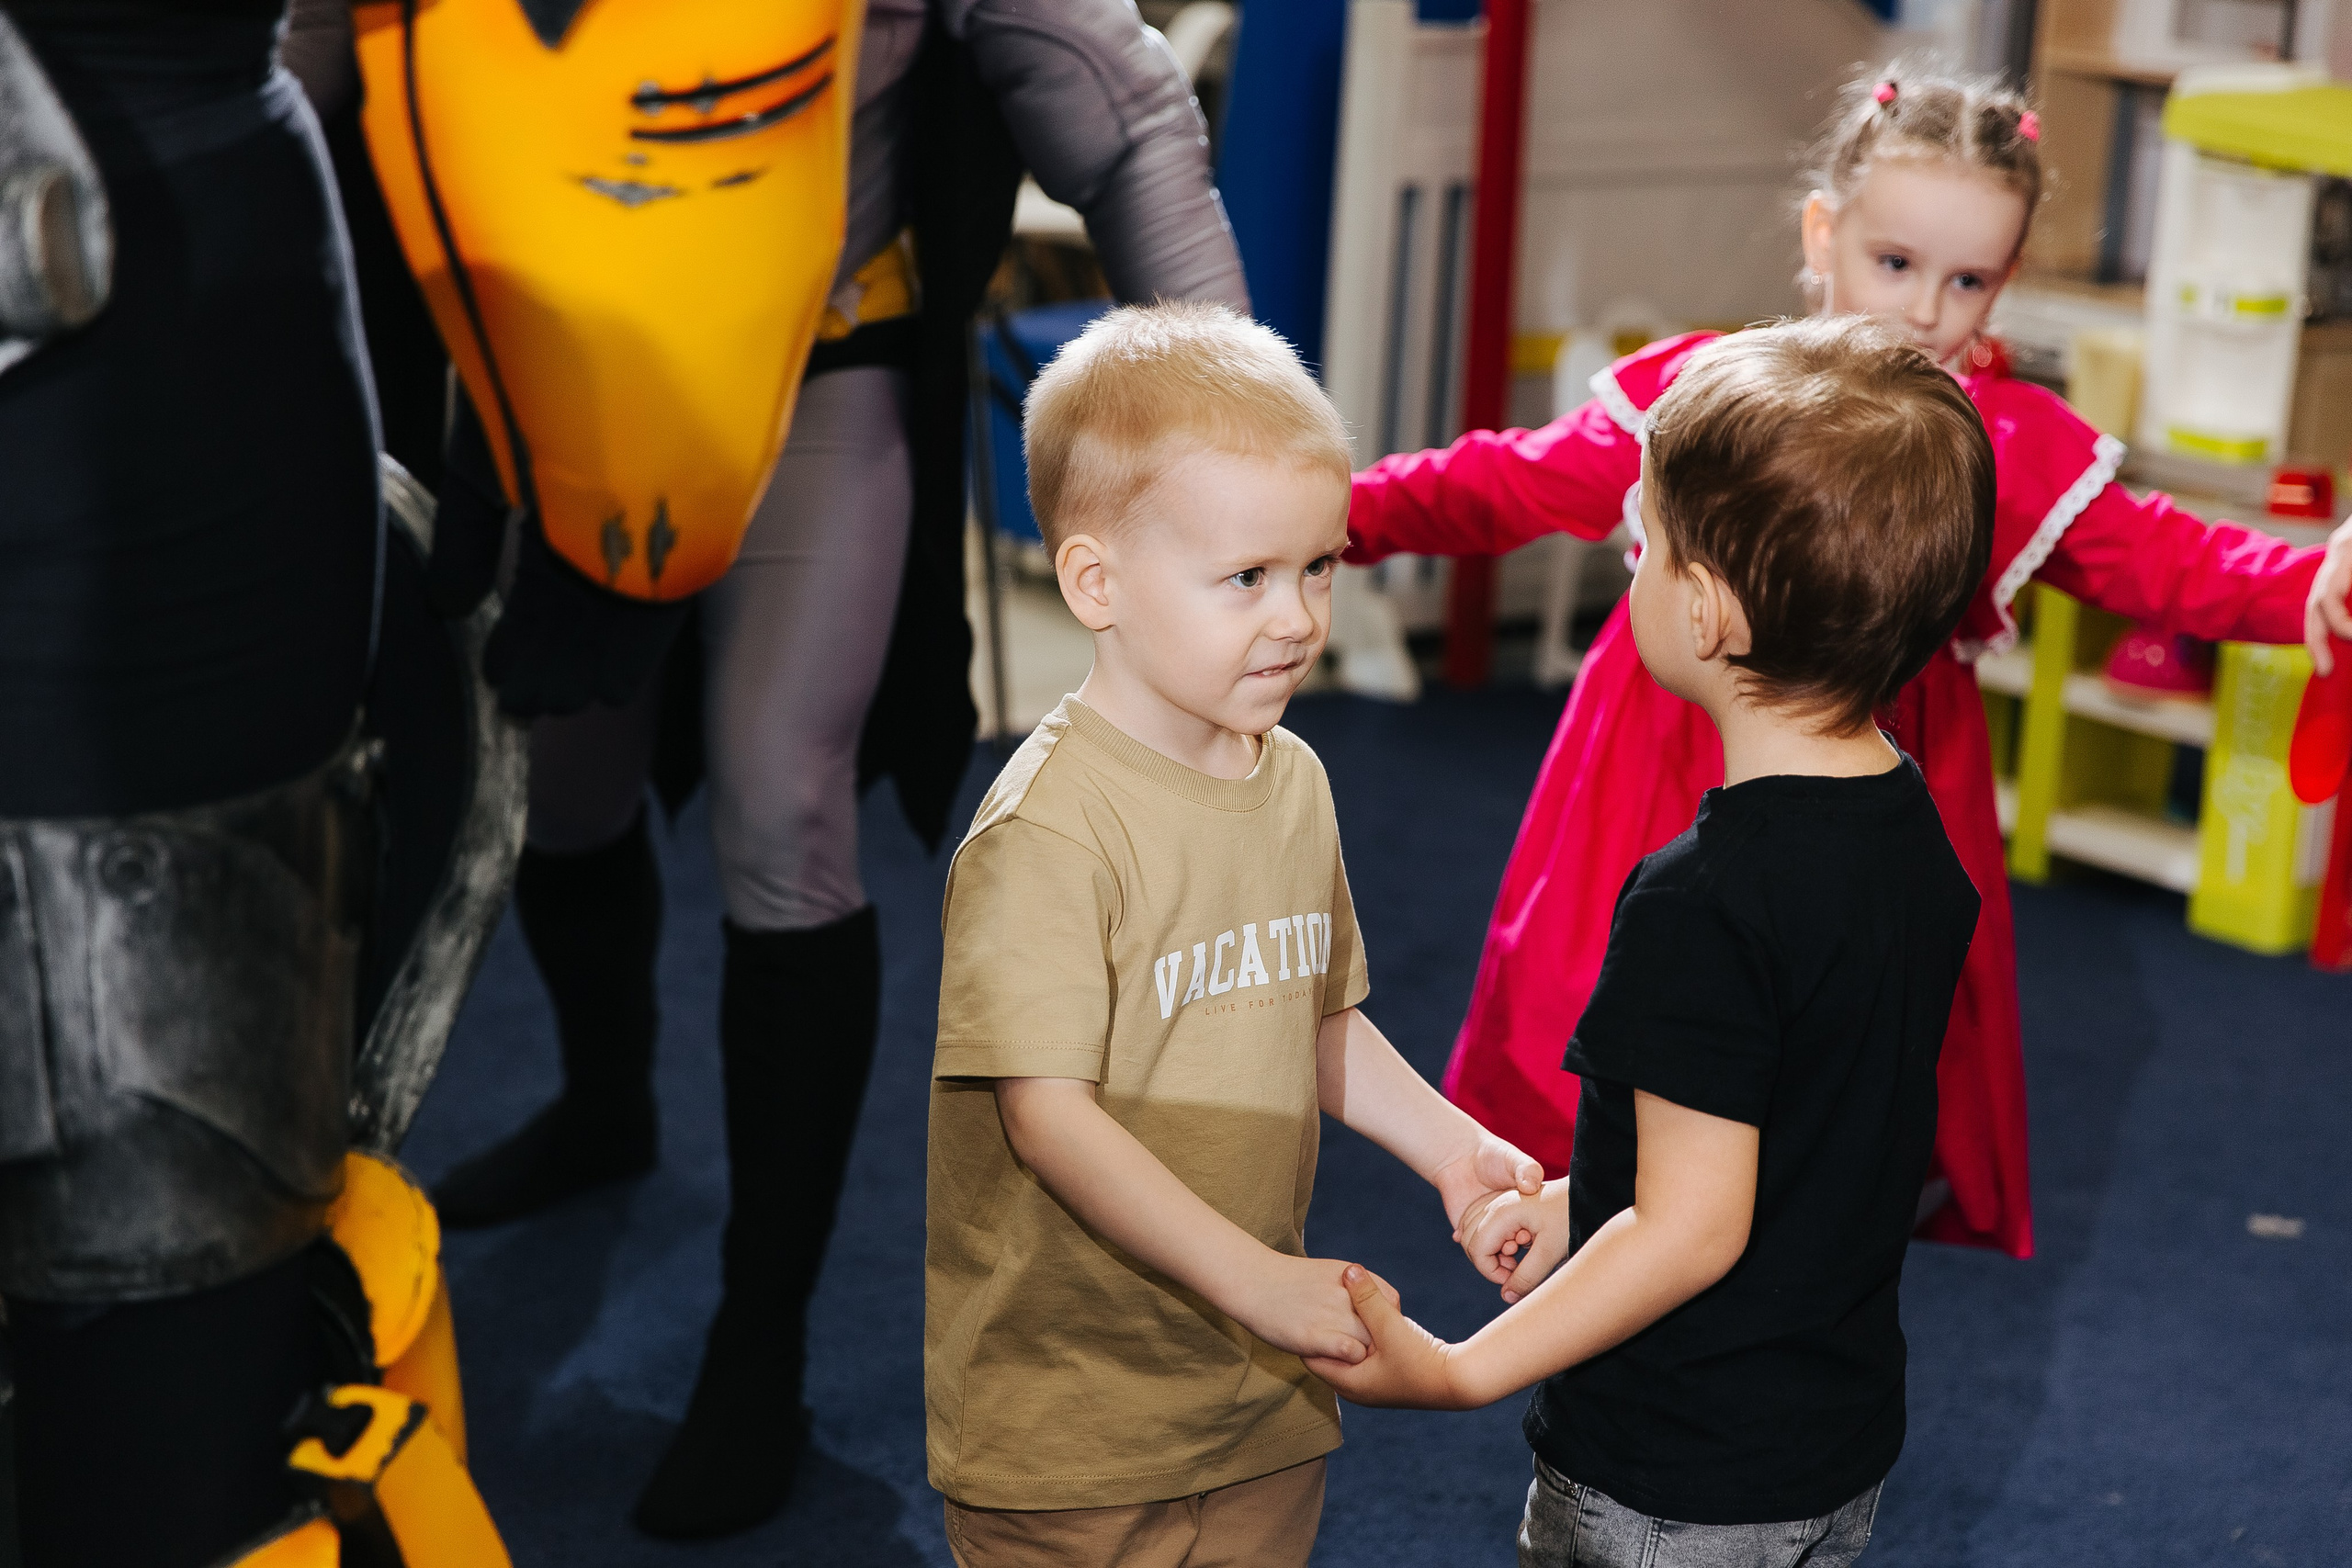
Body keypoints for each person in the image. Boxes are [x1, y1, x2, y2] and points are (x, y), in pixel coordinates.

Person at [415, 1, 1257, 1536]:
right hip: (555, 375)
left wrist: (1231, 427)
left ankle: (762, 1339)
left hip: (819, 363)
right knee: (562, 778)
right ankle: (608, 1106)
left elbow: (1119, 113)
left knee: (782, 806)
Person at [1346, 62, 2352, 1259]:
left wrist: (2310, 580)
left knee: (1833, 1043)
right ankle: (1597, 1207)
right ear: (1824, 233)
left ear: (2007, 279)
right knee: (1616, 992)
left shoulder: (2004, 441)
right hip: (1663, 763)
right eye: (1896, 262)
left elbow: (2161, 557)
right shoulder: (1710, 395)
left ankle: (1769, 1231)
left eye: (1968, 278)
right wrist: (1332, 513)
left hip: (1875, 772)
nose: (1926, 308)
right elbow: (1500, 480)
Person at [1309, 317, 1992, 1568]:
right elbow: (1793, 1136)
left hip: (1673, 1479)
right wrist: (1583, 1204)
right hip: (1827, 1452)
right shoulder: (1916, 834)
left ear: (1711, 612)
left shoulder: (1701, 901)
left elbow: (1694, 1231)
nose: (1633, 557)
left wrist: (1462, 1375)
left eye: (1647, 539)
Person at [925, 302, 1544, 1568]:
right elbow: (1049, 1116)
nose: (1297, 617)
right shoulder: (1048, 833)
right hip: (1072, 1419)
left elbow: (1307, 1009)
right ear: (1097, 582)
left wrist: (1451, 1150)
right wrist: (1253, 1279)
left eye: (1319, 567)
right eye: (1248, 578)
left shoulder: (1292, 778)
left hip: (1260, 1396)